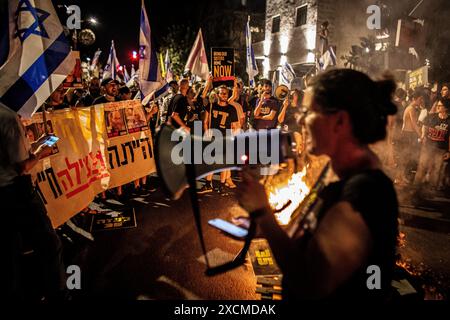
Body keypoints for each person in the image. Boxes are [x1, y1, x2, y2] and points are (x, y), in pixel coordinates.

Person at [237, 69, 399, 301]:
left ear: (340, 121)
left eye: (308, 111)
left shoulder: (365, 192)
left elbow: (311, 283)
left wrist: (264, 214)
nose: (300, 119)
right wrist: (268, 229)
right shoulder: (333, 169)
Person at [1, 102, 66, 300]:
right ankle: (58, 293)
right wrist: (41, 153)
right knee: (48, 243)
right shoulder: (8, 116)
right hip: (16, 192)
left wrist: (36, 144)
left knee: (9, 250)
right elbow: (23, 166)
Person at [414, 98, 450, 189]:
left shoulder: (449, 120)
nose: (437, 107)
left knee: (436, 169)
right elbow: (424, 126)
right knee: (422, 166)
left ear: (446, 108)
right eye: (437, 105)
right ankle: (416, 186)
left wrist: (449, 151)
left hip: (441, 149)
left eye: (440, 106)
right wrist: (423, 135)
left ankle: (431, 188)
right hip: (428, 146)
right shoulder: (432, 117)